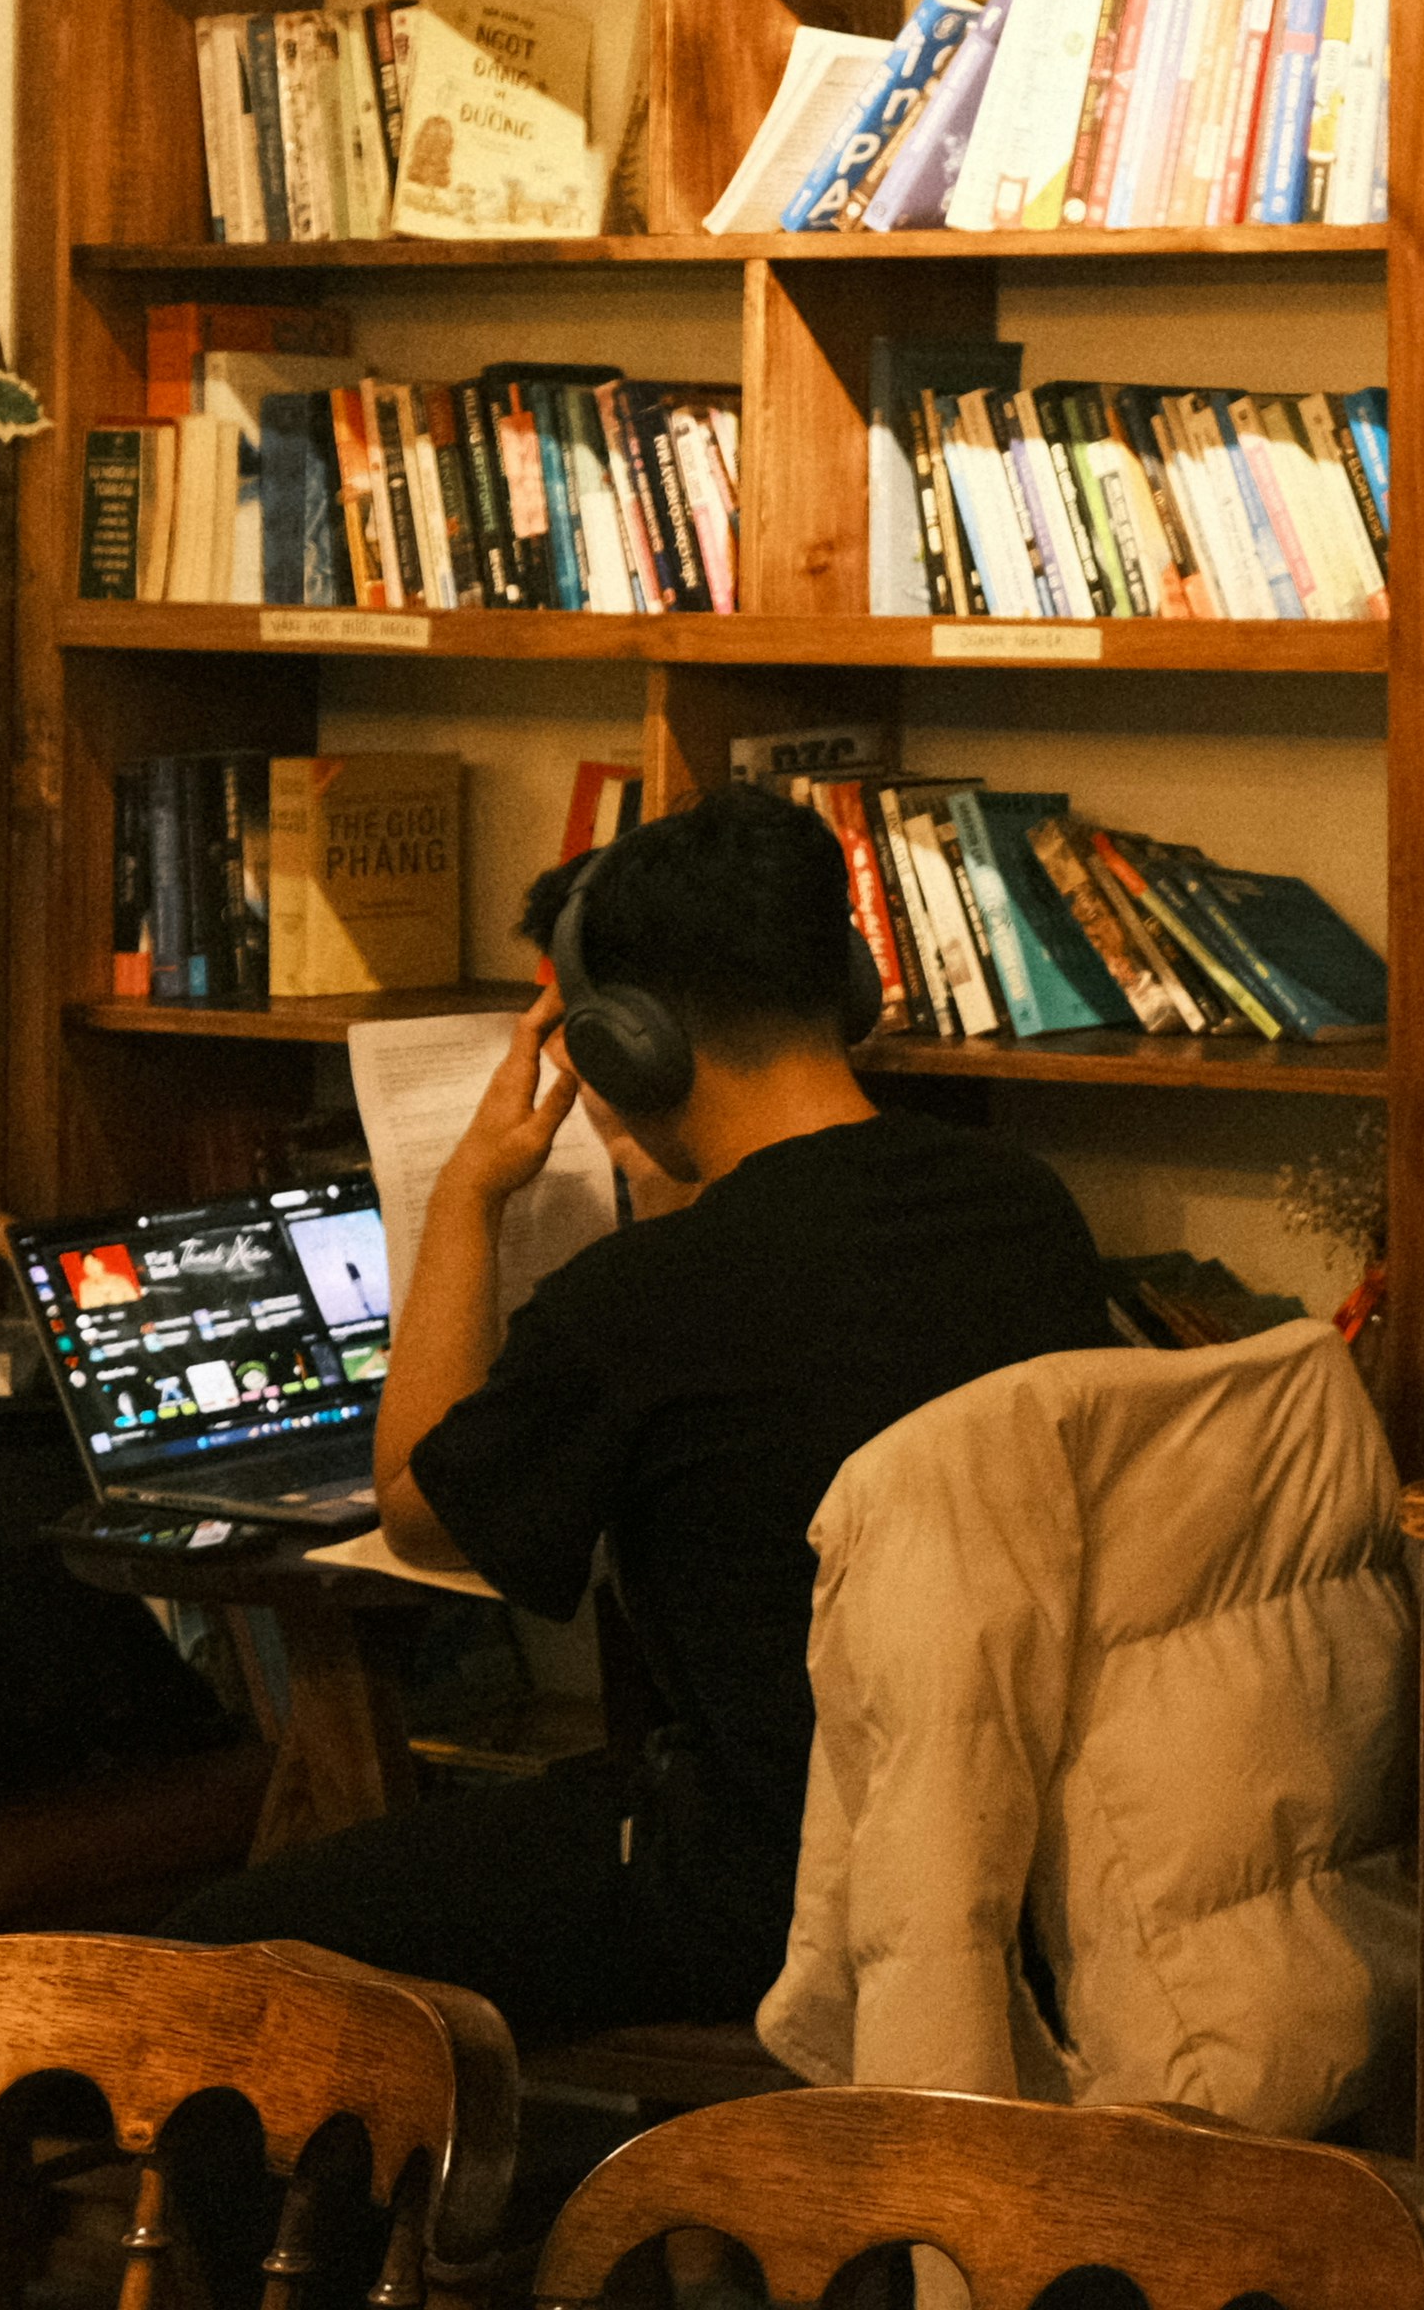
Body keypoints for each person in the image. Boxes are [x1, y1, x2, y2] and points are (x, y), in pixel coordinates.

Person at [161, 788, 1117, 2042]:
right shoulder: (1020, 1201)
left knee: (204, 1970)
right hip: (1010, 1853)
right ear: (846, 983)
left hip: (761, 1885)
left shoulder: (645, 1301)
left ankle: (378, 2241)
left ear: (626, 1046)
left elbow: (418, 1512)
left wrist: (465, 1200)